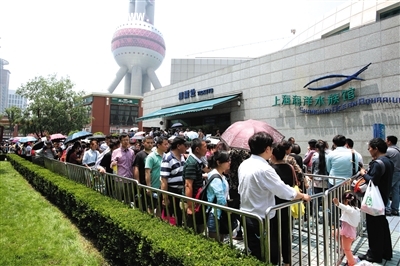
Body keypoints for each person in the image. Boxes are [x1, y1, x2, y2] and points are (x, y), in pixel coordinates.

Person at [238, 132, 311, 261]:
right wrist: (302, 195)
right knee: (268, 255)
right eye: (271, 147)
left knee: (254, 252)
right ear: (267, 149)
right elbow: (284, 191)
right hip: (261, 217)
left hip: (246, 214)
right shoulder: (264, 169)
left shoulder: (244, 164)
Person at [358, 138, 394, 263]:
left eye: (369, 148)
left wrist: (363, 173)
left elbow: (372, 180)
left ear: (376, 148)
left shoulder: (377, 163)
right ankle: (386, 252)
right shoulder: (389, 161)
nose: (369, 150)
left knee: (374, 228)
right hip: (382, 199)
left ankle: (374, 254)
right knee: (382, 226)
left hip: (374, 201)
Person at [269, 142, 296, 266]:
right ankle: (287, 261)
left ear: (273, 155)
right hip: (286, 204)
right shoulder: (289, 167)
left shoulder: (270, 170)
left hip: (273, 205)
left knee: (273, 235)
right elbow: (294, 184)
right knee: (286, 234)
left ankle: (274, 261)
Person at [160, 136, 188, 226]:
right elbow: (164, 180)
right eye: (185, 145)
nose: (186, 147)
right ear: (179, 146)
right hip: (171, 191)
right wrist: (165, 197)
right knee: (172, 216)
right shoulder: (168, 158)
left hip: (180, 191)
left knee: (179, 215)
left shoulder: (182, 157)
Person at [183, 138, 208, 234]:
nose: (207, 149)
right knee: (192, 231)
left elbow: (207, 170)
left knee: (199, 228)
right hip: (193, 202)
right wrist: (190, 206)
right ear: (197, 149)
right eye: (205, 147)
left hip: (197, 200)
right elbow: (188, 185)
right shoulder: (192, 163)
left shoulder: (198, 161)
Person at [206, 150, 231, 241]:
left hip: (219, 212)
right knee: (215, 240)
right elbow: (220, 198)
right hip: (215, 213)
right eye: (227, 160)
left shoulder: (220, 175)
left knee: (220, 239)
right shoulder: (216, 177)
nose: (229, 163)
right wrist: (228, 210)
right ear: (218, 162)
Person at [332, 191, 361, 266]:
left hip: (347, 233)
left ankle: (351, 262)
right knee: (335, 233)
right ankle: (347, 255)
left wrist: (337, 203)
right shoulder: (357, 209)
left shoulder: (351, 210)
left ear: (347, 200)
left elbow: (345, 208)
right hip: (349, 232)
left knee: (347, 249)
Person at [145, 136, 169, 214]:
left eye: (167, 144)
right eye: (165, 144)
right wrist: (149, 187)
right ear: (158, 145)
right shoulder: (151, 157)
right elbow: (147, 172)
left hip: (163, 186)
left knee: (161, 207)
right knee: (152, 206)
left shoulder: (166, 156)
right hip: (154, 186)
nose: (167, 146)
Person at [111, 133, 136, 203]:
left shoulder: (132, 152)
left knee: (128, 200)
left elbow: (133, 165)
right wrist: (113, 164)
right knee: (118, 199)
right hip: (119, 179)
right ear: (120, 141)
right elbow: (112, 164)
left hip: (129, 179)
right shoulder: (115, 152)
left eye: (127, 140)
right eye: (124, 140)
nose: (126, 142)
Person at [385, 135, 400, 216]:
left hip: (392, 173)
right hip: (398, 172)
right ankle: (395, 209)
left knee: (386, 189)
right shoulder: (398, 149)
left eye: (386, 140)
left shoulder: (389, 150)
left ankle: (387, 209)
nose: (385, 142)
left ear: (389, 142)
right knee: (396, 191)